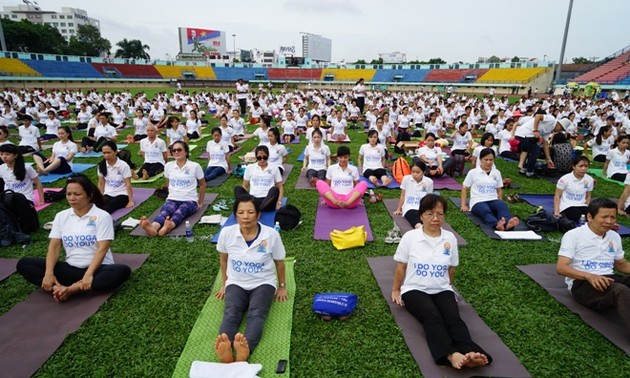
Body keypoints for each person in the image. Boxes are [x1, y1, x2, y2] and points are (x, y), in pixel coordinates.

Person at [391, 194, 492, 370]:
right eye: (430, 214)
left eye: (440, 214)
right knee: (432, 316)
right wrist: (396, 290)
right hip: (414, 289)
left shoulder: (450, 238)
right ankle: (451, 355)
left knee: (453, 317)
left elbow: (450, 269)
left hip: (441, 289)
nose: (435, 219)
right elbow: (401, 267)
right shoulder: (410, 237)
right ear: (421, 215)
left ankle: (469, 351)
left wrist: (449, 289)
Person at [16, 174, 132, 302]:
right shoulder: (61, 216)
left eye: (77, 194)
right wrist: (49, 273)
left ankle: (73, 289)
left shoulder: (102, 216)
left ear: (90, 195)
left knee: (122, 271)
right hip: (71, 269)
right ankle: (59, 288)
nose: (72, 198)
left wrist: (89, 274)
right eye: (68, 194)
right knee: (24, 264)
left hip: (98, 269)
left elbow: (103, 248)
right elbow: (54, 247)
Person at [213, 195, 288, 363]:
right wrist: (224, 283)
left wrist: (282, 286)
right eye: (241, 212)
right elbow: (223, 260)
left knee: (257, 313)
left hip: (263, 283)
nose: (245, 216)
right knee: (232, 312)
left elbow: (280, 263)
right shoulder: (227, 233)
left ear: (258, 214)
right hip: (236, 282)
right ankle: (225, 348)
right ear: (235, 215)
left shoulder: (270, 235)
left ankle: (245, 350)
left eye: (250, 212)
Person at [557, 198, 630, 334]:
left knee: (620, 286)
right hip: (582, 283)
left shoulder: (614, 236)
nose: (609, 221)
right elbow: (561, 268)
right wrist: (589, 276)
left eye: (612, 217)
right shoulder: (574, 235)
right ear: (590, 217)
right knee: (620, 291)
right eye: (604, 217)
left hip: (609, 278)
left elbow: (621, 264)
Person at [140, 141, 206, 236]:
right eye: (173, 150)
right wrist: (170, 195)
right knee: (165, 212)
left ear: (186, 152)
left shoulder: (195, 166)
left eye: (179, 150)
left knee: (180, 212)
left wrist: (199, 201)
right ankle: (153, 227)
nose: (176, 152)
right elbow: (168, 183)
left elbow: (203, 184)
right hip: (173, 198)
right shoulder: (168, 166)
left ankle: (168, 226)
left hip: (189, 200)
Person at [460, 148, 519, 231]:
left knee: (502, 207)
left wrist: (500, 202)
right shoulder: (473, 172)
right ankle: (496, 225)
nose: (488, 162)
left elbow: (499, 190)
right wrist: (463, 205)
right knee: (485, 211)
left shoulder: (496, 172)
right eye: (486, 160)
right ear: (480, 160)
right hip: (478, 201)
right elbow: (464, 188)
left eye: (491, 160)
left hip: (493, 199)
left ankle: (507, 223)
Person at [234, 145, 284, 212]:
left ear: (268, 156)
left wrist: (279, 202)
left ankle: (257, 210)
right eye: (259, 157)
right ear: (256, 157)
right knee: (238, 188)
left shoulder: (274, 168)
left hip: (268, 200)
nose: (262, 159)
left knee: (274, 189)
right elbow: (245, 186)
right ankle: (255, 208)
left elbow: (280, 186)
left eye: (265, 157)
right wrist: (244, 198)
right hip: (252, 199)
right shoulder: (250, 167)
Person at [394, 160, 434, 228]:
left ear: (423, 172)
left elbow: (428, 198)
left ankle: (427, 228)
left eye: (418, 172)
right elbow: (403, 195)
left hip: (422, 206)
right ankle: (420, 228)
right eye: (413, 172)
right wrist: (398, 209)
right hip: (409, 206)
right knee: (412, 215)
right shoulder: (406, 179)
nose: (415, 174)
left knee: (425, 217)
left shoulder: (429, 181)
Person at [97, 141, 134, 214]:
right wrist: (99, 198)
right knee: (97, 206)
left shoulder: (123, 165)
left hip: (122, 194)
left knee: (110, 207)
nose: (106, 155)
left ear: (115, 152)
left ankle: (99, 218)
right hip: (108, 193)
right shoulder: (101, 166)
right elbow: (101, 183)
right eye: (104, 153)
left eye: (109, 152)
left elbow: (128, 184)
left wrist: (131, 200)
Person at [554, 155, 593, 223]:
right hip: (567, 206)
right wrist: (556, 211)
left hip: (581, 205)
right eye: (581, 166)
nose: (583, 169)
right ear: (574, 167)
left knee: (593, 216)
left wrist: (587, 207)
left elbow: (588, 196)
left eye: (586, 166)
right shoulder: (565, 179)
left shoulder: (590, 179)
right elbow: (557, 196)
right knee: (579, 216)